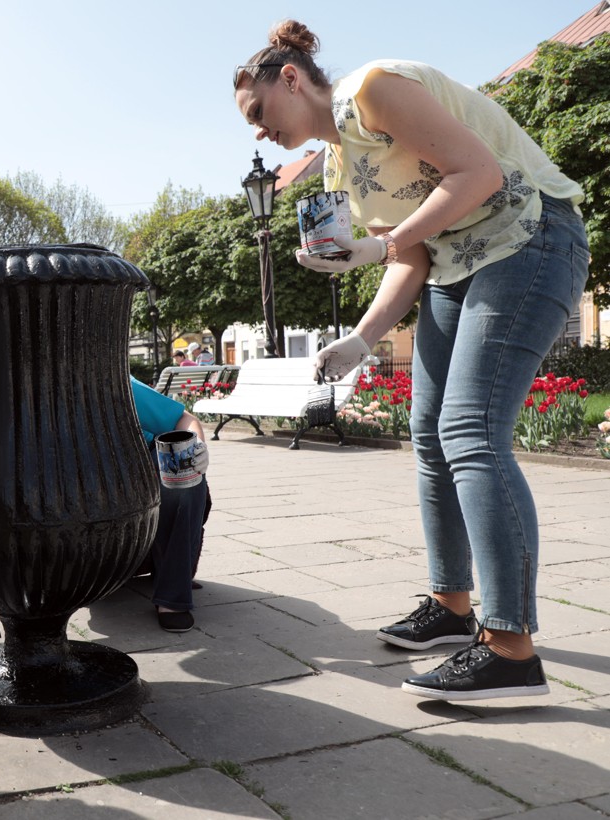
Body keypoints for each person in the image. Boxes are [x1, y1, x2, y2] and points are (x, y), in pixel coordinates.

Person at [234, 21, 588, 699]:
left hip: (527, 238)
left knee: (469, 433)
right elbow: (411, 259)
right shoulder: (339, 166)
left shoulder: (372, 88)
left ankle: (510, 649)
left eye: (256, 112)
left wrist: (384, 242)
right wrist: (361, 340)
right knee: (428, 435)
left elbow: (478, 175)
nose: (256, 131)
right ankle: (451, 609)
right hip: (456, 268)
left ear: (290, 77)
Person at [129, 377, 212, 632]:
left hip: (144, 483)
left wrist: (196, 447)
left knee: (180, 458)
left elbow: (184, 420)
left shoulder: (112, 380)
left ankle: (172, 598)